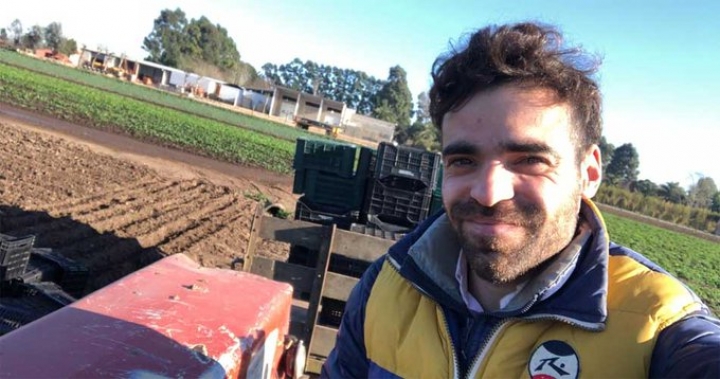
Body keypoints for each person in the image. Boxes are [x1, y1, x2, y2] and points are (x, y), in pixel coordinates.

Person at [322, 22, 720, 378]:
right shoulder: (386, 285)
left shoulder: (657, 327)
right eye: (463, 160)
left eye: (530, 160)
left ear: (589, 173)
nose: (488, 192)